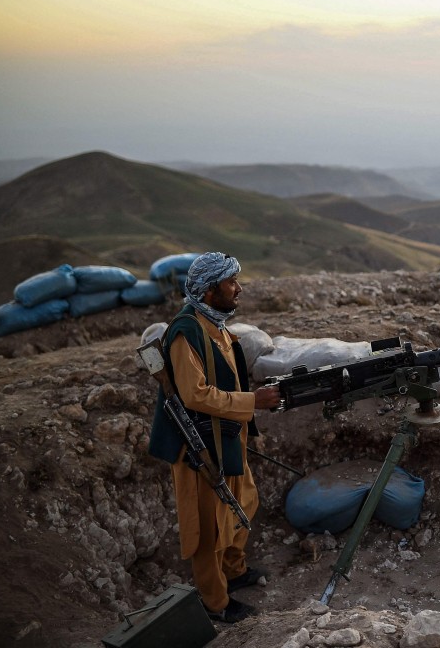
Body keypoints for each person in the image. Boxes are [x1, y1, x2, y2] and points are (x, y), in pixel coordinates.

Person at [148, 252, 281, 623]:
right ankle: (216, 603)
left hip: (226, 438)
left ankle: (234, 572)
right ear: (209, 292)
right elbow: (195, 395)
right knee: (207, 528)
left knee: (244, 504)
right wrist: (254, 401)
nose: (238, 289)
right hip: (198, 448)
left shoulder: (216, 324)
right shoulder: (186, 332)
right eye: (231, 283)